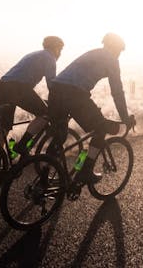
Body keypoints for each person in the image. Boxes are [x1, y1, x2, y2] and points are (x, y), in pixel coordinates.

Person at [48, 32, 135, 184]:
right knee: (101, 129)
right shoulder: (112, 60)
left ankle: (43, 178)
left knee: (59, 136)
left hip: (55, 90)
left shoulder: (92, 52)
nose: (119, 55)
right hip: (74, 94)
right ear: (116, 48)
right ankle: (85, 171)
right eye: (120, 51)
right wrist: (125, 117)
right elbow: (117, 92)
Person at [0, 35, 65, 157]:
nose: (60, 53)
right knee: (45, 114)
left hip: (3, 85)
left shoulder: (35, 54)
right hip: (18, 88)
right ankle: (22, 145)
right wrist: (58, 103)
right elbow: (52, 87)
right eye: (60, 50)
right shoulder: (50, 58)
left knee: (4, 128)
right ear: (56, 48)